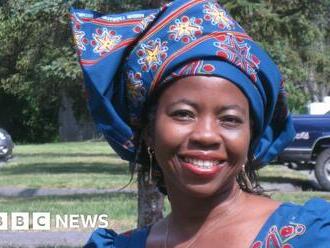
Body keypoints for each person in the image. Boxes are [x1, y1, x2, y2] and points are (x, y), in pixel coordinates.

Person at [70, 0, 330, 247]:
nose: (206, 135)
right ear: (148, 131)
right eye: (183, 114)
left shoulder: (311, 236)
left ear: (251, 136)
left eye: (229, 120)